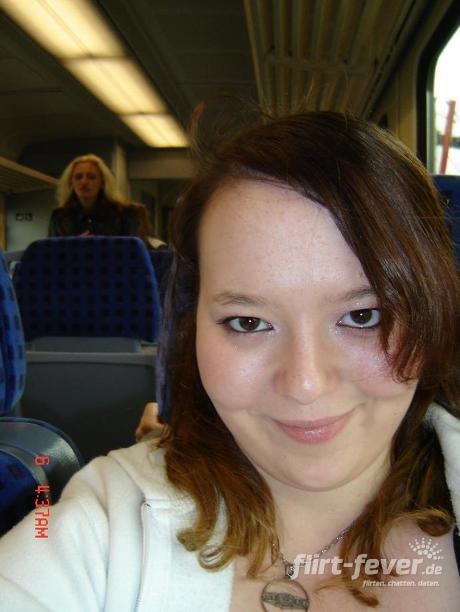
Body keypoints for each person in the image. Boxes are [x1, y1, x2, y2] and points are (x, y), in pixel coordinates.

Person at [0, 109, 459, 611]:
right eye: (248, 322)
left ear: (433, 311)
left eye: (363, 316)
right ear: (190, 326)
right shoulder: (108, 521)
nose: (305, 383)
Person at [48, 153, 160, 247]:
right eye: (78, 177)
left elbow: (135, 253)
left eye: (91, 177)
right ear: (70, 183)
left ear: (102, 183)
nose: (84, 182)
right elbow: (52, 255)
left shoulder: (126, 214)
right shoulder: (59, 217)